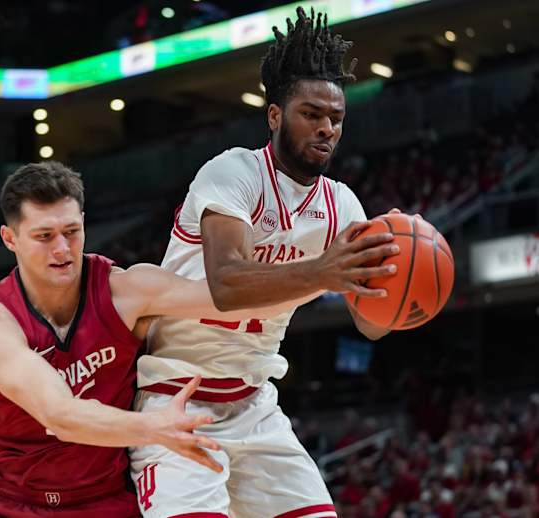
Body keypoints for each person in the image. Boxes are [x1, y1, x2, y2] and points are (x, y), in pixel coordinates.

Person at [130, 8, 399, 517]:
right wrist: (325, 271)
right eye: (311, 114)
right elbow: (227, 282)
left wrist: (398, 271)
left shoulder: (342, 205)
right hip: (176, 399)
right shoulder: (234, 172)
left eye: (336, 119)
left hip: (254, 404)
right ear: (275, 115)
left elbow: (370, 327)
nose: (326, 129)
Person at [0, 161, 319, 517]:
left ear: (84, 223)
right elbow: (61, 415)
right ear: (10, 238)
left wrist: (327, 275)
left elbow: (232, 305)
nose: (62, 249)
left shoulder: (126, 290)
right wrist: (155, 428)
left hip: (111, 501)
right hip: (17, 505)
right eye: (44, 236)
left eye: (71, 231)